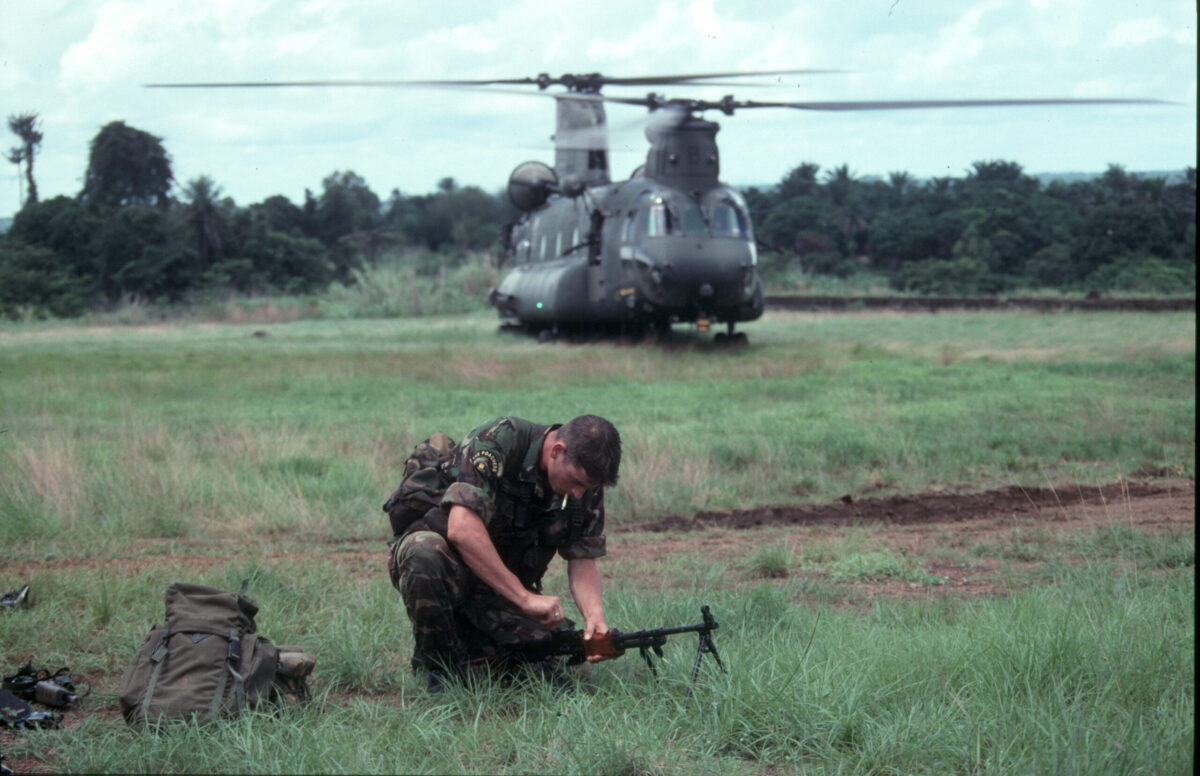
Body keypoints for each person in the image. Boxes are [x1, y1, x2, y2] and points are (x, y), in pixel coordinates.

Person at [385, 414, 621, 691]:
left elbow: (582, 557)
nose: (580, 494)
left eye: (589, 488)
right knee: (422, 551)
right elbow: (462, 529)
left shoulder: (583, 484)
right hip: (453, 572)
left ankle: (470, 646)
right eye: (577, 482)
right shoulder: (498, 441)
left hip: (499, 590)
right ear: (558, 451)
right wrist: (525, 599)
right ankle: (439, 669)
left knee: (557, 660)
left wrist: (595, 618)